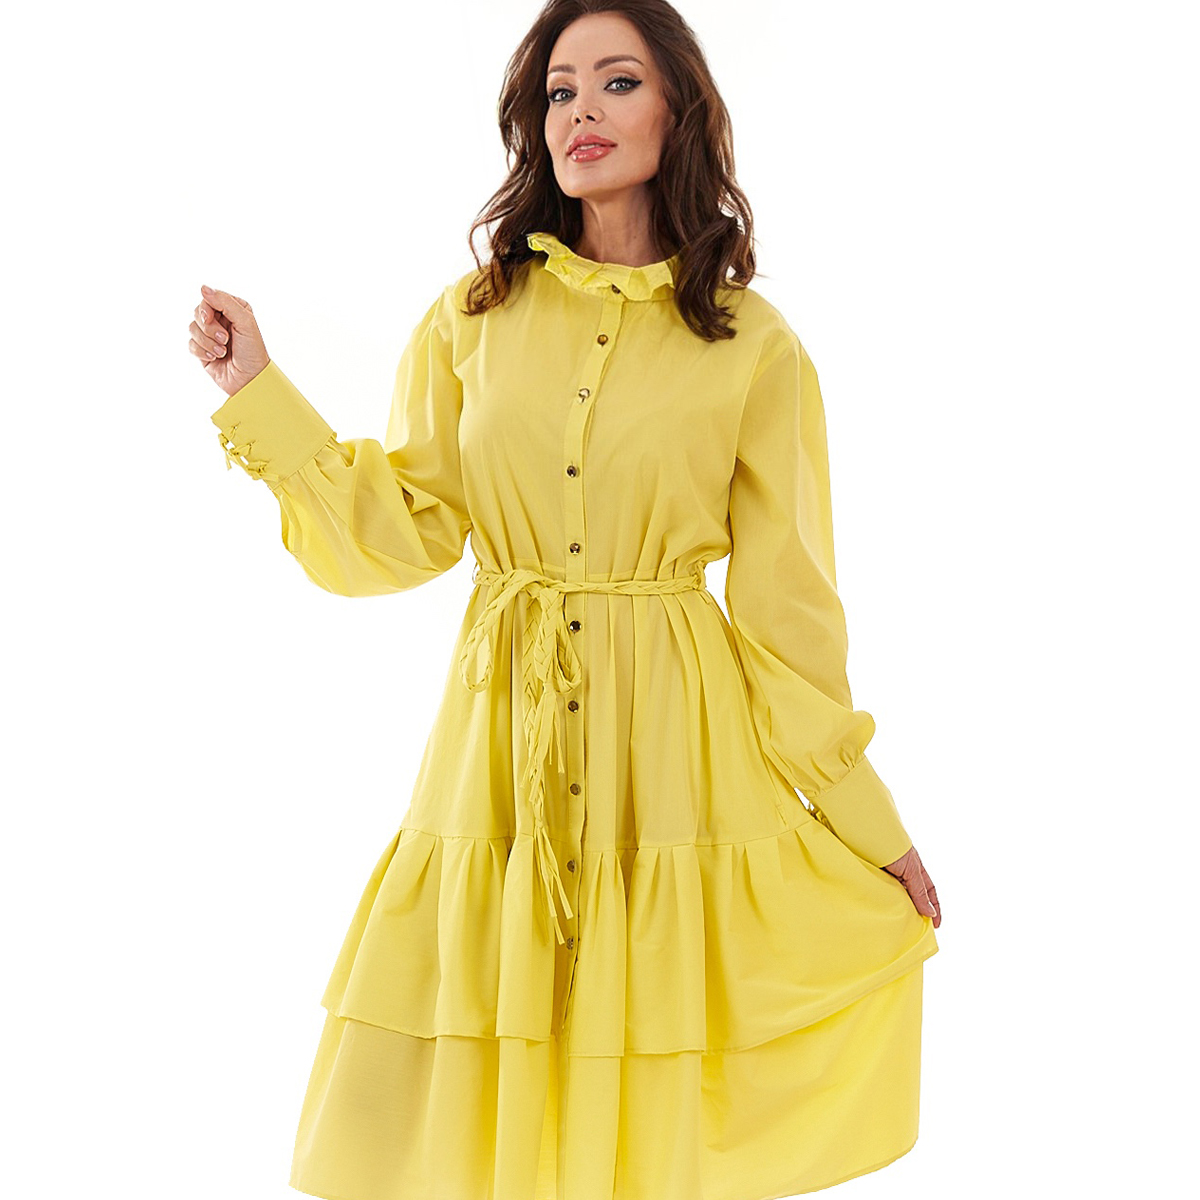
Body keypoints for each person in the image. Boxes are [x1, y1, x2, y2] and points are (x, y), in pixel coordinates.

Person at [189, 3, 941, 1198]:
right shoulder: (474, 318)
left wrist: (867, 821)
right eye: (558, 91)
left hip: (675, 761)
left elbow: (790, 613)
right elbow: (400, 532)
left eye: (617, 81)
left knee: (645, 1071)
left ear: (679, 109)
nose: (581, 110)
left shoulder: (755, 347)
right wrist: (259, 394)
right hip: (499, 745)